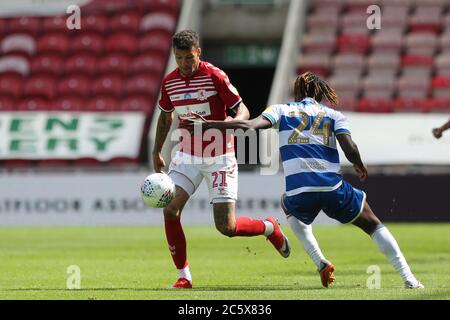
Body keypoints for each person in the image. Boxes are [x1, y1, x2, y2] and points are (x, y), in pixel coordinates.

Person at [186, 72, 424, 289]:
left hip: (300, 191)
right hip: (332, 187)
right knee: (373, 225)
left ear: (297, 92)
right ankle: (409, 278)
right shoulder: (333, 115)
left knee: (288, 205)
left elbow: (248, 125)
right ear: (320, 94)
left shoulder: (280, 110)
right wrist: (358, 164)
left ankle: (320, 261)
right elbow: (349, 147)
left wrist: (208, 124)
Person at [152, 30, 290, 289]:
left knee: (226, 226)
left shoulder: (214, 76)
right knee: (170, 210)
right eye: (179, 58)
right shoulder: (170, 82)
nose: (184, 64)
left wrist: (216, 125)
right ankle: (184, 276)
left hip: (220, 156)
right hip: (186, 156)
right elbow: (166, 116)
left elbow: (243, 111)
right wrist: (157, 150)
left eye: (189, 58)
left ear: (199, 53)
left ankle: (269, 227)